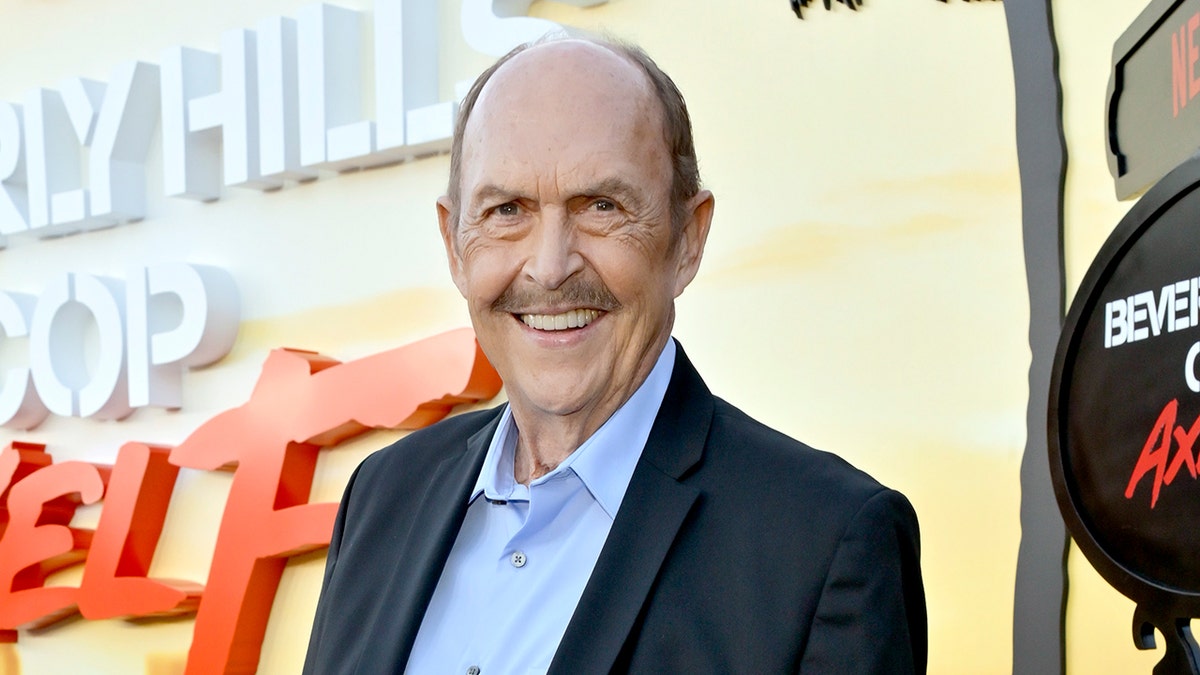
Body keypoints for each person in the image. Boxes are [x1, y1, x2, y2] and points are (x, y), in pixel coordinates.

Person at [303, 35, 926, 674]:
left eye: (601, 206)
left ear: (688, 238)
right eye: (506, 210)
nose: (549, 268)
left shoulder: (824, 545)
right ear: (454, 243)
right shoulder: (382, 497)